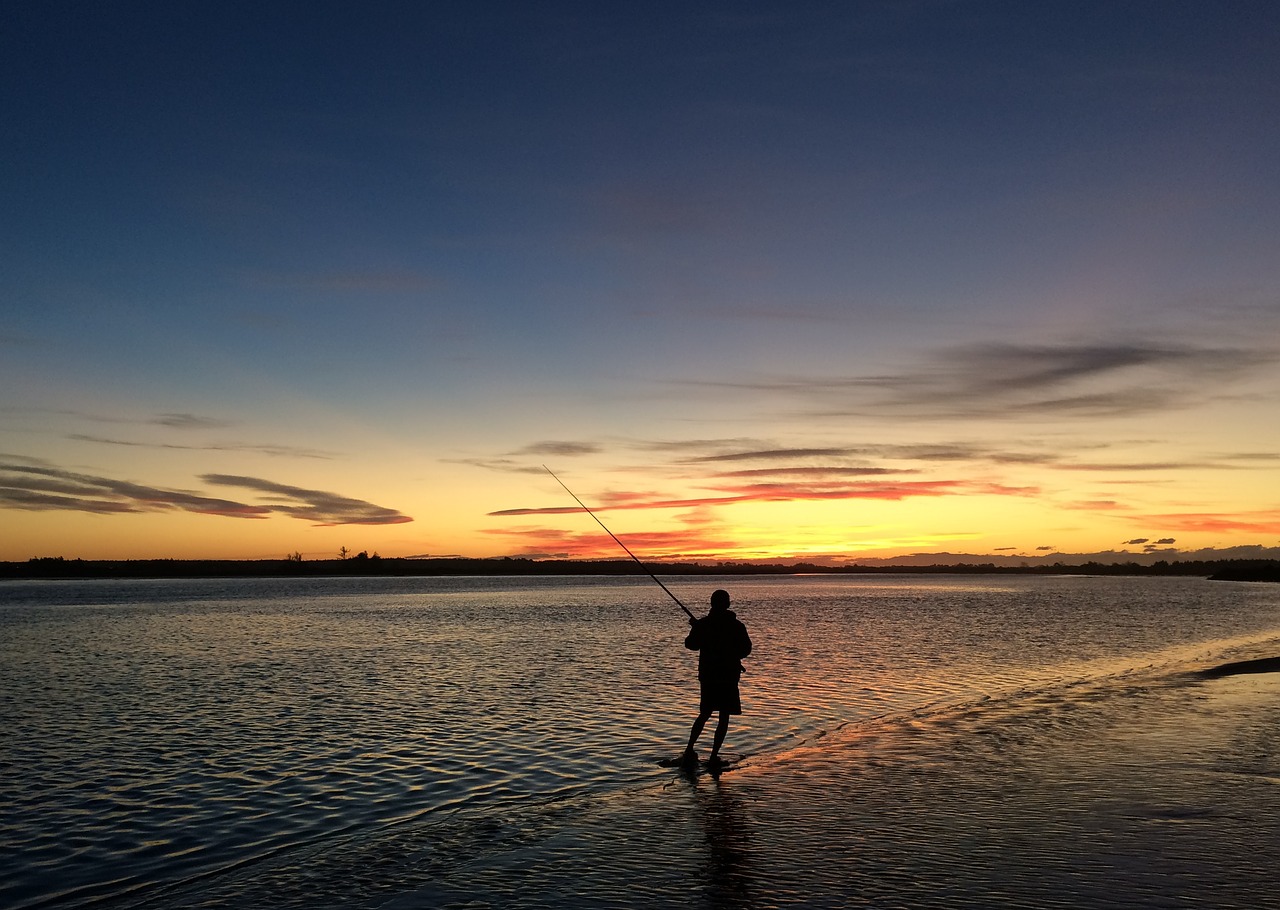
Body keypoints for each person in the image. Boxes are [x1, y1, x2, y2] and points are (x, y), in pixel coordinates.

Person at [683, 589, 752, 765]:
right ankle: (714, 757)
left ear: (712, 604)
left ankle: (689, 749)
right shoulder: (736, 626)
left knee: (704, 714)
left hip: (709, 677)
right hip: (728, 677)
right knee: (724, 717)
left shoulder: (704, 625)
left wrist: (697, 629)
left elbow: (691, 645)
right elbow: (746, 650)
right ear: (728, 604)